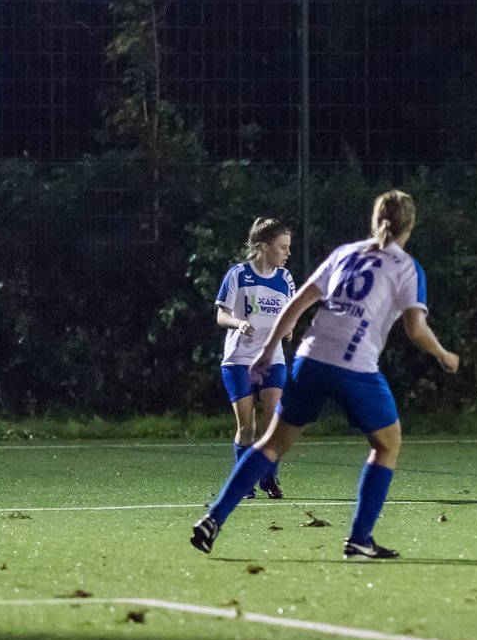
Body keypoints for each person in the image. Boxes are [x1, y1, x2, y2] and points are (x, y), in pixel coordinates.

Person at [192, 190, 460, 560]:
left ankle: (213, 519)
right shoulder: (406, 267)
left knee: (270, 442)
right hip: (355, 365)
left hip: (310, 357)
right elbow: (416, 328)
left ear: (374, 220)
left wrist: (267, 353)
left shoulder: (345, 254)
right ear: (409, 227)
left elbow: (298, 303)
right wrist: (443, 354)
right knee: (387, 443)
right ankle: (359, 540)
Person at [214, 217, 295, 500]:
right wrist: (238, 323)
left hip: (272, 360)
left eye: (288, 247)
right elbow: (221, 314)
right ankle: (243, 482)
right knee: (247, 427)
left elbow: (290, 312)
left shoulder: (285, 279)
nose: (287, 253)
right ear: (263, 246)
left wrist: (290, 327)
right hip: (239, 360)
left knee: (272, 422)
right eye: (282, 247)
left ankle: (269, 478)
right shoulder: (238, 275)